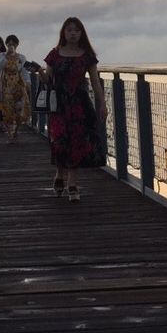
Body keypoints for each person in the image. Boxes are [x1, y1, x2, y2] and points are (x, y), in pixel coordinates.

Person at [42, 17, 107, 202]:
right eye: (69, 30)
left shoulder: (87, 55)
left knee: (76, 141)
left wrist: (102, 104)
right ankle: (59, 173)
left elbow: (95, 81)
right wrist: (39, 73)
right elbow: (48, 80)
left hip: (79, 104)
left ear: (81, 33)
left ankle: (72, 182)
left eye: (77, 30)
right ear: (63, 32)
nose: (73, 33)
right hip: (59, 104)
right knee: (59, 140)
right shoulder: (54, 54)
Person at [0, 34, 32, 141]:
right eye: (9, 44)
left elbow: (24, 71)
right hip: (7, 85)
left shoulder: (21, 57)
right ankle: (9, 133)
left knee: (19, 109)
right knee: (7, 110)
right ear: (6, 44)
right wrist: (7, 54)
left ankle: (16, 130)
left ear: (17, 45)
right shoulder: (2, 55)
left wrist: (28, 82)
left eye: (13, 44)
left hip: (18, 85)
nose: (11, 46)